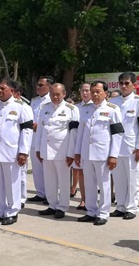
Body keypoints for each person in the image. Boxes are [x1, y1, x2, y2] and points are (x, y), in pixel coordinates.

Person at [0, 78, 33, 226]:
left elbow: (27, 131)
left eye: (3, 88)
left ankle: (12, 212)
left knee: (12, 184)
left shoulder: (21, 107)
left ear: (12, 90)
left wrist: (23, 151)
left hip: (12, 152)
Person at [74, 80, 124, 226]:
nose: (95, 94)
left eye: (98, 91)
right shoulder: (85, 109)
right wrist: (77, 152)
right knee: (89, 184)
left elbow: (117, 134)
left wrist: (114, 155)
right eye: (93, 91)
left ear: (105, 93)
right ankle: (91, 211)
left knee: (104, 184)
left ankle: (103, 213)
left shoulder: (113, 109)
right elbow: (81, 133)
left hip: (103, 153)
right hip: (87, 153)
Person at [109, 72, 139, 220]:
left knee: (133, 178)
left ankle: (132, 207)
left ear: (134, 85)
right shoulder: (113, 102)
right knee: (119, 178)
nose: (124, 86)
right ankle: (120, 206)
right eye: (121, 83)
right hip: (116, 147)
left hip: (132, 147)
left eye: (127, 83)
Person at [35, 83, 79, 218]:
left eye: (57, 94)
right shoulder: (44, 109)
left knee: (64, 181)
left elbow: (74, 133)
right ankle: (52, 204)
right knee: (49, 180)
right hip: (46, 150)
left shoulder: (71, 109)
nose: (54, 97)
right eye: (52, 94)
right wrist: (38, 149)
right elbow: (40, 131)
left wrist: (71, 152)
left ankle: (62, 206)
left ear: (64, 94)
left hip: (62, 151)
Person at [27, 76, 53, 204]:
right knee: (37, 168)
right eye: (37, 85)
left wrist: (40, 125)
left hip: (46, 138)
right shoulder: (34, 101)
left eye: (41, 85)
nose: (38, 87)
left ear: (49, 87)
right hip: (34, 138)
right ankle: (40, 192)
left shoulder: (52, 100)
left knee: (47, 169)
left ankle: (50, 195)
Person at [71, 83, 94, 210]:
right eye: (83, 91)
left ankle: (92, 201)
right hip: (78, 145)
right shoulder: (76, 108)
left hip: (92, 145)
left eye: (87, 91)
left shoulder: (95, 106)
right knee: (80, 172)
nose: (85, 93)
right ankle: (83, 199)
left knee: (92, 174)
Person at [14, 83, 34, 208]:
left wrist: (24, 150)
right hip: (7, 148)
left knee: (21, 175)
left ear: (18, 94)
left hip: (19, 146)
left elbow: (27, 130)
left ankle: (21, 198)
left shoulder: (24, 107)